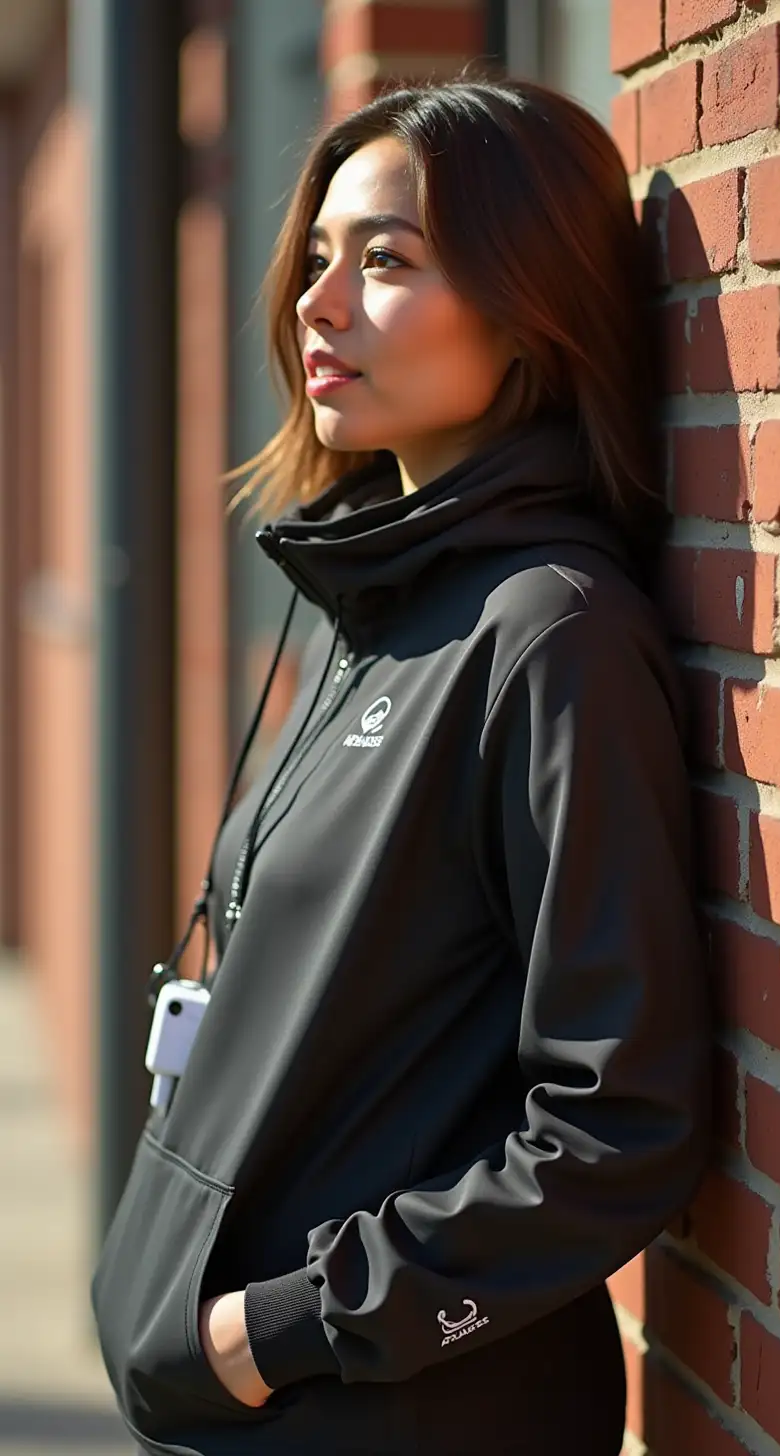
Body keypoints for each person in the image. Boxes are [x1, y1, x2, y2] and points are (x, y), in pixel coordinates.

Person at [92, 76, 712, 1456]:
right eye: (318, 258)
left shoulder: (551, 635)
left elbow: (623, 1122)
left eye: (385, 261)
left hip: (388, 1417)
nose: (317, 303)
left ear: (529, 300)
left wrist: (285, 1332)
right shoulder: (382, 599)